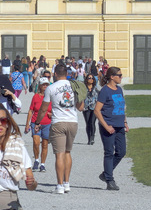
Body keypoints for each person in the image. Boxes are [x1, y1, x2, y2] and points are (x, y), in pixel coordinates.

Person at [41, 65, 83, 194]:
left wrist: (38, 121)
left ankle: (59, 186)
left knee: (59, 154)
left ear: (55, 74)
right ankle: (66, 183)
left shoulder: (51, 88)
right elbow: (80, 107)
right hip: (72, 122)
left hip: (58, 121)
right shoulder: (75, 86)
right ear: (67, 73)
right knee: (67, 152)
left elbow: (44, 108)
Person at [94, 66, 128, 191]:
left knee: (121, 152)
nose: (121, 77)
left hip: (119, 125)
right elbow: (97, 111)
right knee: (109, 152)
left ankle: (105, 173)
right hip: (108, 125)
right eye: (119, 75)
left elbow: (121, 107)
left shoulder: (119, 90)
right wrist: (106, 126)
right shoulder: (105, 91)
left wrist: (125, 122)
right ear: (112, 77)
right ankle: (109, 180)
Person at [25, 75, 52, 173]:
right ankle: (36, 160)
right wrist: (27, 124)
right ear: (40, 86)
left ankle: (43, 164)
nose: (45, 86)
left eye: (47, 85)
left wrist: (51, 114)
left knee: (45, 144)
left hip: (47, 123)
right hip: (35, 122)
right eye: (43, 85)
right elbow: (30, 111)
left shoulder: (51, 97)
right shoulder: (35, 97)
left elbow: (56, 110)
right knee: (36, 142)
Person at [81, 73, 99, 145]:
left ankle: (92, 137)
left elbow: (99, 97)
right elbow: (81, 97)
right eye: (89, 78)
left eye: (92, 78)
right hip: (86, 107)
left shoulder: (96, 88)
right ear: (86, 79)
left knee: (92, 122)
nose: (91, 79)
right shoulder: (84, 88)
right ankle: (89, 138)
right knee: (88, 123)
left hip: (94, 107)